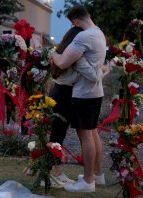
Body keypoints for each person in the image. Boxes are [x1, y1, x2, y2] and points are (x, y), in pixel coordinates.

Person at [50, 5, 107, 192]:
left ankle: (88, 180)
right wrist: (98, 71)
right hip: (79, 93)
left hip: (79, 94)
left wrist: (54, 54)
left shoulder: (83, 39)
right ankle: (95, 175)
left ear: (74, 21)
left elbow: (64, 62)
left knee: (85, 135)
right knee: (88, 134)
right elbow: (93, 72)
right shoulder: (98, 33)